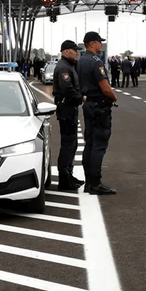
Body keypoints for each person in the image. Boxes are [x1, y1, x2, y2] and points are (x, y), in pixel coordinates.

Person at [78, 31, 117, 195]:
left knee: (90, 144)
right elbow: (105, 88)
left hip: (88, 105)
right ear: (92, 43)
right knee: (99, 145)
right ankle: (95, 183)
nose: (101, 44)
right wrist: (114, 97)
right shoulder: (96, 62)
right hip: (99, 107)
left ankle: (89, 182)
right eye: (99, 42)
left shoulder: (81, 61)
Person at [52, 40, 85, 190]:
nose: (76, 53)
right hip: (66, 109)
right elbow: (67, 88)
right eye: (74, 50)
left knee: (72, 144)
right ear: (66, 51)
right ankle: (64, 179)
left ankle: (68, 175)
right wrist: (80, 98)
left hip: (69, 108)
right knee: (68, 144)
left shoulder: (69, 65)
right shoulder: (64, 68)